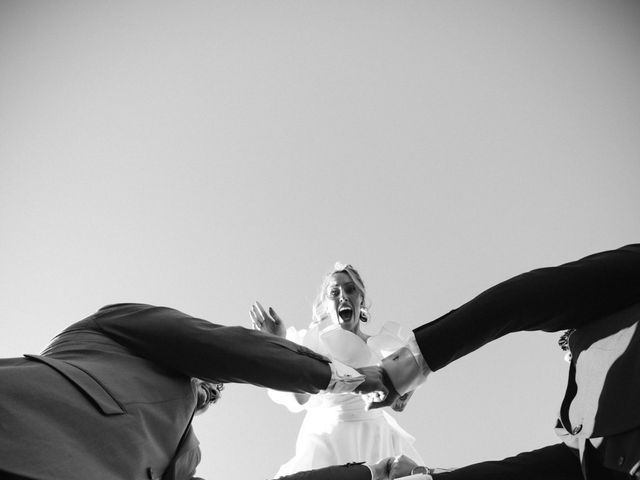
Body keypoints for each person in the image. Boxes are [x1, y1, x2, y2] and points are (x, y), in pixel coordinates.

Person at [0, 302, 389, 480]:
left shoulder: (184, 456)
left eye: (213, 395)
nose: (212, 391)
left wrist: (370, 474)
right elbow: (227, 350)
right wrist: (352, 378)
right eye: (212, 382)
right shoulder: (105, 331)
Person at [365, 243, 640, 479]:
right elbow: (533, 473)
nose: (570, 357)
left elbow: (523, 300)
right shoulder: (585, 436)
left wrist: (405, 368)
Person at [251, 263, 424, 477]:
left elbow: (399, 403)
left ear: (361, 299)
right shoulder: (315, 342)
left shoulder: (385, 346)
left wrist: (410, 379)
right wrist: (278, 343)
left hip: (377, 437)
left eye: (350, 289)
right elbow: (299, 398)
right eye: (334, 292)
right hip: (329, 437)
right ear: (325, 304)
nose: (342, 296)